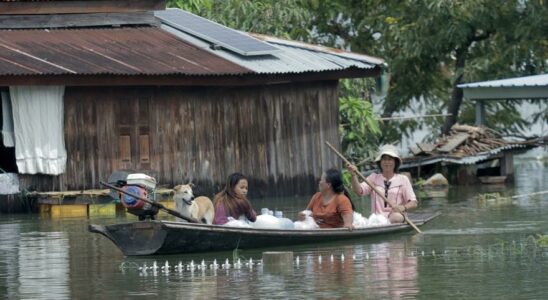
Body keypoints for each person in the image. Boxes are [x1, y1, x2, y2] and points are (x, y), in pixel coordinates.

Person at [347, 144, 417, 224]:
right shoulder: (373, 178)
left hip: (396, 218)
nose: (387, 162)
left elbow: (413, 203)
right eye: (384, 159)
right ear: (380, 162)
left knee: (396, 217)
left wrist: (403, 207)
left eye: (390, 159)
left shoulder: (403, 179)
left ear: (395, 162)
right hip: (377, 220)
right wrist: (353, 175)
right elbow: (359, 191)